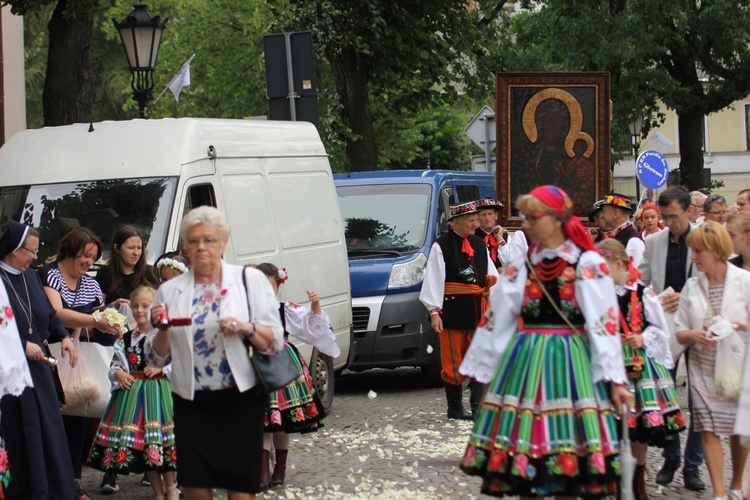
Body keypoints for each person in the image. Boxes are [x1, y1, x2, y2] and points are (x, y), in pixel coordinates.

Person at [458, 185, 631, 498]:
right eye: (525, 217)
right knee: (524, 461)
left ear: (555, 218)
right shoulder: (521, 267)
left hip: (572, 365)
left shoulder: (586, 264)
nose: (527, 224)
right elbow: (497, 321)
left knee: (569, 461)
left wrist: (616, 380)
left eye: (533, 217)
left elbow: (602, 324)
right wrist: (484, 377)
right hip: (526, 364)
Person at [144, 206, 283, 500]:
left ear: (223, 243)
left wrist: (245, 327)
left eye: (209, 240)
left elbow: (274, 343)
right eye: (193, 241)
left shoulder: (249, 281)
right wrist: (163, 329)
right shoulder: (170, 291)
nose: (201, 247)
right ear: (185, 247)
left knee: (241, 484)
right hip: (192, 401)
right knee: (194, 482)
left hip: (240, 397)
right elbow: (154, 358)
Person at [596, 238, 686, 500]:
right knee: (610, 424)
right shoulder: (601, 296)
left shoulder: (643, 293)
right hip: (609, 364)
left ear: (620, 264)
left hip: (638, 365)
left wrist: (643, 338)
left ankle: (637, 483)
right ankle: (613, 480)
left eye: (605, 269)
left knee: (639, 428)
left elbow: (660, 329)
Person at [38, 226, 121, 499]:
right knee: (51, 421)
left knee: (77, 420)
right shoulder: (49, 275)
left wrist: (110, 319)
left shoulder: (92, 283)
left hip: (80, 358)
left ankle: (72, 482)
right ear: (70, 250)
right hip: (51, 355)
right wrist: (95, 319)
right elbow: (57, 315)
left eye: (93, 257)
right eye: (85, 255)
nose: (88, 262)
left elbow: (98, 314)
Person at [0, 221, 80, 499]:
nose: (35, 257)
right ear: (13, 249)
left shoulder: (32, 277)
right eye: (30, 251)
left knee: (49, 430)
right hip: (11, 371)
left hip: (40, 366)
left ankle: (56, 490)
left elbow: (47, 314)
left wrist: (64, 337)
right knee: (25, 431)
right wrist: (22, 345)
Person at [675, 221, 750, 500]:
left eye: (698, 251)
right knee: (708, 426)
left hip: (737, 366)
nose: (693, 257)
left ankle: (736, 483)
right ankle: (719, 492)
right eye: (692, 251)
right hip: (702, 368)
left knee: (739, 428)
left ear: (717, 251)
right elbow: (679, 332)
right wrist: (693, 333)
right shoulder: (692, 287)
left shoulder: (744, 281)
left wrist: (739, 326)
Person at [638, 186, 705, 491]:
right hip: (663, 326)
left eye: (673, 216)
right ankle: (672, 456)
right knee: (666, 394)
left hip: (699, 325)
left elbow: (713, 280)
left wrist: (688, 298)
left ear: (689, 211)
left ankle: (693, 465)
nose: (668, 222)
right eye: (664, 217)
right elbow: (643, 283)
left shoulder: (703, 240)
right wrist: (653, 297)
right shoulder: (653, 241)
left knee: (700, 398)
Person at [253, 262, 340, 490]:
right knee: (262, 421)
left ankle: (279, 469)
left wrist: (316, 304)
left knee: (282, 421)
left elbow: (311, 326)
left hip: (281, 364)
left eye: (268, 287)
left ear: (278, 286)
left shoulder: (284, 309)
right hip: (256, 366)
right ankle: (262, 472)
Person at [87, 286, 178, 500]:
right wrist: (118, 373)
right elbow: (116, 363)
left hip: (160, 395)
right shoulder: (125, 338)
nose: (139, 310)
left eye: (145, 306)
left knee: (162, 443)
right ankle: (158, 493)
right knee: (148, 447)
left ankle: (172, 488)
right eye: (136, 306)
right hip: (134, 399)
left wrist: (161, 369)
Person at [419, 200, 500, 420]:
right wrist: (434, 312)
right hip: (453, 311)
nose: (476, 223)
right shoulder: (441, 245)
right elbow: (434, 280)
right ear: (456, 222)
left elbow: (493, 278)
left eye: (477, 219)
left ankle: (478, 408)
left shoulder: (480, 244)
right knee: (452, 360)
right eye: (472, 220)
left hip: (479, 311)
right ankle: (454, 408)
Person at [96, 225, 160, 307]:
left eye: (139, 248)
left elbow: (157, 306)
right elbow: (98, 310)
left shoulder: (151, 273)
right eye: (131, 248)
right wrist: (113, 305)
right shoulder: (104, 273)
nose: (136, 253)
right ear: (117, 248)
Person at [597, 193, 645, 267]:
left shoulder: (633, 241)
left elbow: (636, 275)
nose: (602, 215)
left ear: (616, 213)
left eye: (604, 212)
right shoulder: (618, 235)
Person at [474, 198, 506, 269]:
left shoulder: (505, 236)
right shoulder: (472, 236)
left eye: (490, 214)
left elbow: (509, 262)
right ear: (478, 217)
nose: (487, 218)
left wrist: (500, 238)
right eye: (484, 215)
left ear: (496, 216)